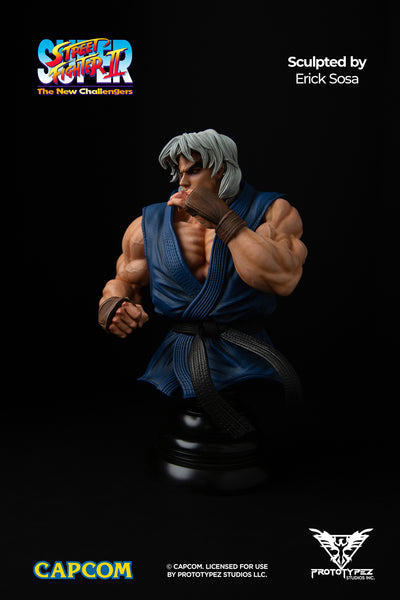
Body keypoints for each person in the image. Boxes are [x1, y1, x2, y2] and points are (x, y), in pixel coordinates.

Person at [98, 129, 307, 439]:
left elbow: (283, 278)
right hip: (182, 352)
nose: (182, 182)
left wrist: (225, 220)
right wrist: (114, 306)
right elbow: (124, 281)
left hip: (244, 351)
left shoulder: (270, 212)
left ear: (221, 169)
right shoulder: (148, 225)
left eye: (194, 170)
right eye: (179, 172)